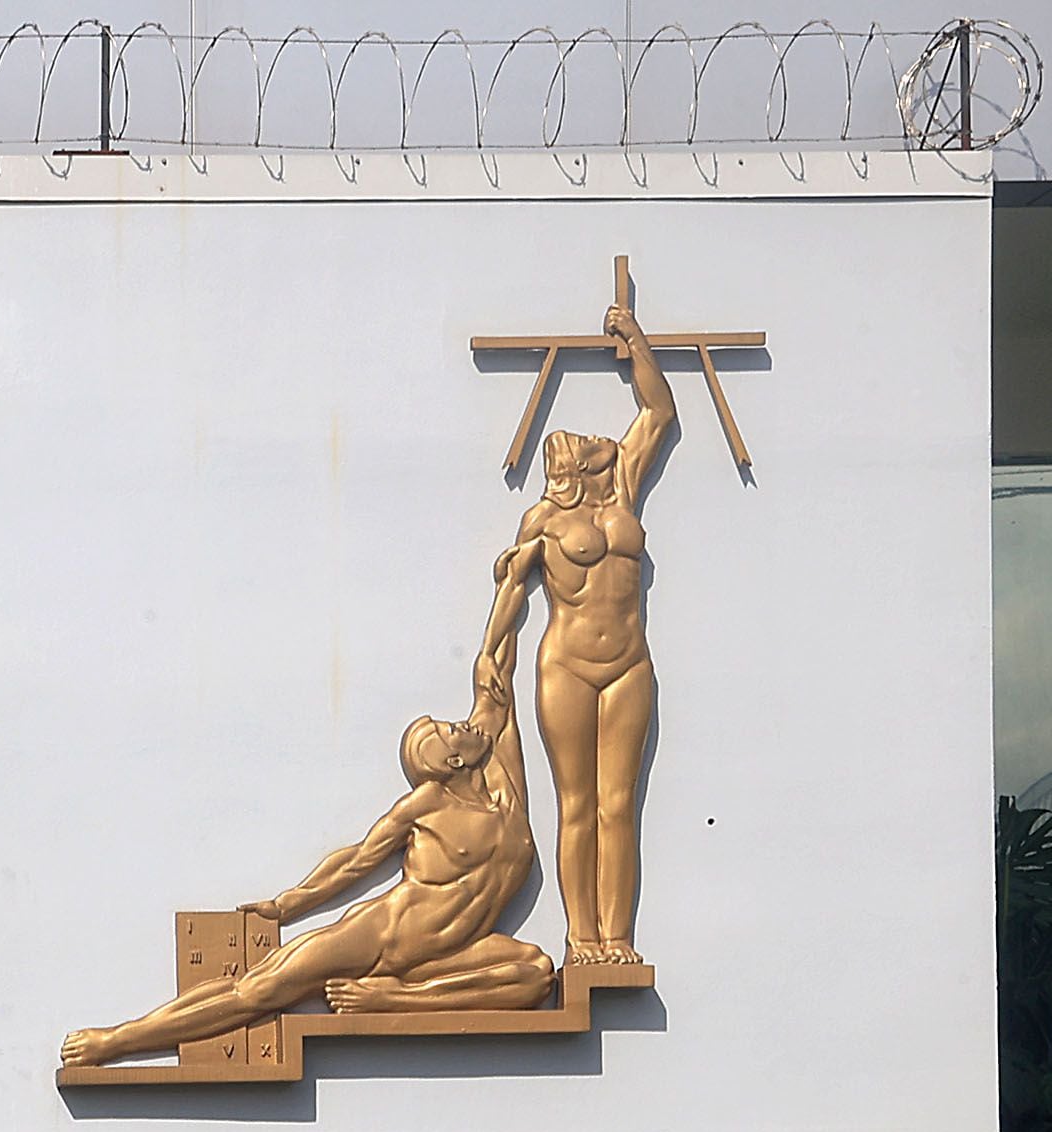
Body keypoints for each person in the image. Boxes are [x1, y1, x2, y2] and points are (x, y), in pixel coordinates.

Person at [59, 544, 551, 1070]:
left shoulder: (504, 782)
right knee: (258, 989)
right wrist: (287, 906)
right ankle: (116, 1041)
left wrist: (510, 584)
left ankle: (391, 999)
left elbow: (493, 666)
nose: (463, 724)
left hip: (448, 960)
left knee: (536, 974)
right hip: (384, 937)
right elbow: (358, 860)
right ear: (452, 761)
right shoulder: (426, 804)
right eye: (448, 730)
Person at [516, 297, 677, 969]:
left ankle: (619, 937)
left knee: (620, 807)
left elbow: (659, 413)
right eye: (584, 449)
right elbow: (509, 590)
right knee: (577, 805)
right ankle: (582, 937)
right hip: (567, 665)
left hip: (629, 663)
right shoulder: (542, 520)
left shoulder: (625, 490)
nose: (598, 447)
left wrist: (635, 339)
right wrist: (490, 662)